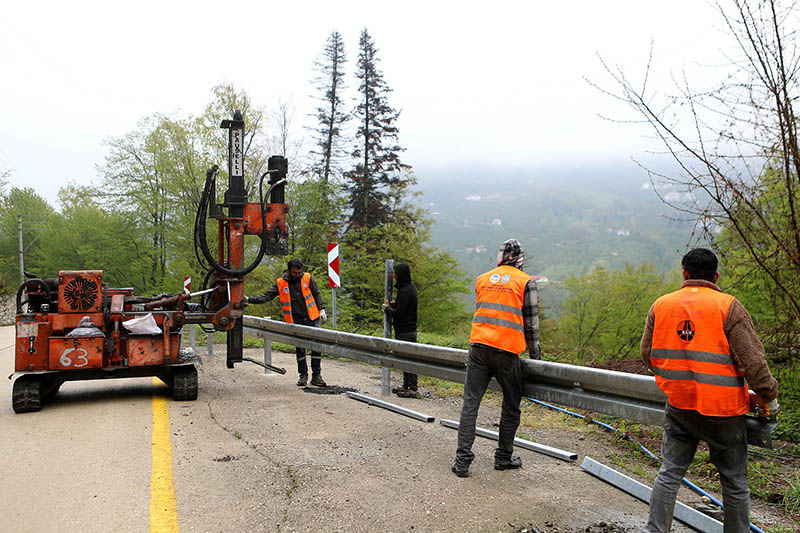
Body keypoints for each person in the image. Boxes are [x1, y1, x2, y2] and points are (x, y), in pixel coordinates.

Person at [641, 248, 779, 532]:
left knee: (669, 474)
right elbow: (753, 362)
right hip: (723, 410)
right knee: (734, 481)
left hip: (679, 405)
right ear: (716, 276)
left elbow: (647, 355)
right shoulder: (728, 306)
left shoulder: (661, 305)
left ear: (684, 274)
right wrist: (769, 397)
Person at [452, 238, 540, 478]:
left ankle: (462, 461)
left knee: (471, 403)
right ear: (520, 259)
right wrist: (536, 357)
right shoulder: (525, 282)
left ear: (500, 256)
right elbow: (531, 325)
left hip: (479, 347)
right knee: (511, 404)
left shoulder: (482, 279)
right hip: (506, 351)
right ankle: (503, 457)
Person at [247, 258, 328, 387]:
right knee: (300, 348)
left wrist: (321, 308)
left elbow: (316, 293)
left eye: (299, 272)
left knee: (316, 347)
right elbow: (267, 296)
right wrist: (249, 300)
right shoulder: (281, 283)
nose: (298, 275)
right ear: (289, 270)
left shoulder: (307, 278)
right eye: (295, 272)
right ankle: (303, 376)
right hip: (296, 320)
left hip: (312, 317)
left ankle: (316, 376)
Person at [382, 263, 419, 398]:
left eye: (396, 273)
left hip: (405, 330)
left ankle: (412, 387)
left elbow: (401, 313)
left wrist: (387, 310)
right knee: (406, 358)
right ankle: (407, 385)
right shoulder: (410, 289)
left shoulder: (404, 291)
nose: (394, 276)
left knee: (408, 359)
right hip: (409, 329)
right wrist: (394, 306)